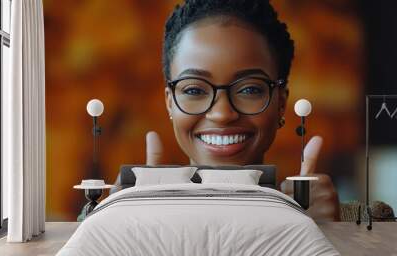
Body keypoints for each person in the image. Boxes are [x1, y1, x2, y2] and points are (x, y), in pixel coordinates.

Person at [145, 0, 340, 221]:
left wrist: (326, 235)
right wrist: (117, 226)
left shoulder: (323, 216)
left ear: (281, 104)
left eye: (249, 89)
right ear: (170, 102)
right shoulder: (132, 215)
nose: (222, 114)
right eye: (194, 90)